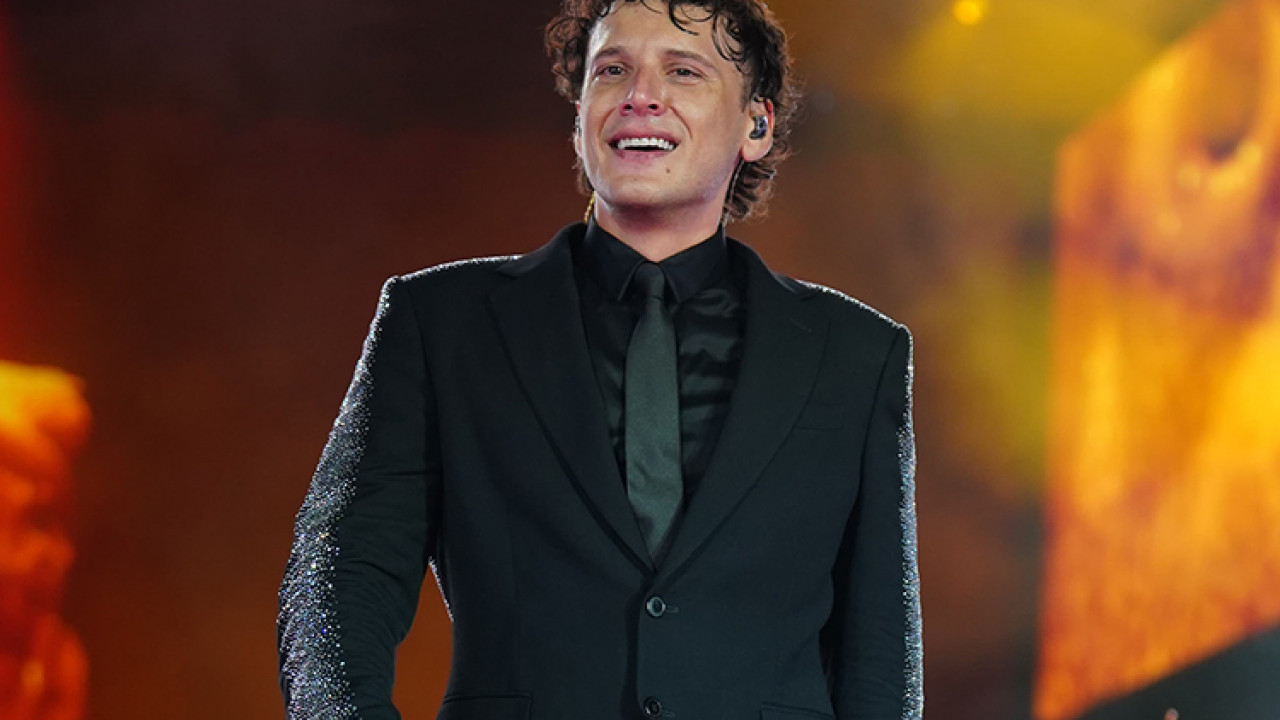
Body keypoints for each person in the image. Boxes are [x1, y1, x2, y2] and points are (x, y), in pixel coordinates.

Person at [277, 1, 922, 719]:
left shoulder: (858, 352)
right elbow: (339, 575)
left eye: (683, 71)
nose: (640, 94)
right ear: (580, 113)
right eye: (612, 70)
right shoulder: (439, 322)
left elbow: (879, 655)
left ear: (756, 124)